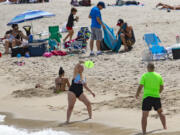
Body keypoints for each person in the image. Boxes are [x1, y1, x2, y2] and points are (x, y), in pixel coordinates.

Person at [135, 63, 167, 135]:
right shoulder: (158, 76)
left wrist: (137, 94)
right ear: (154, 68)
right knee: (160, 112)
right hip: (156, 97)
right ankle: (165, 127)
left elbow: (140, 86)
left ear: (148, 68)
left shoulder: (145, 75)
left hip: (147, 98)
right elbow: (162, 87)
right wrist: (158, 92)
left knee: (144, 116)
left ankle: (144, 132)